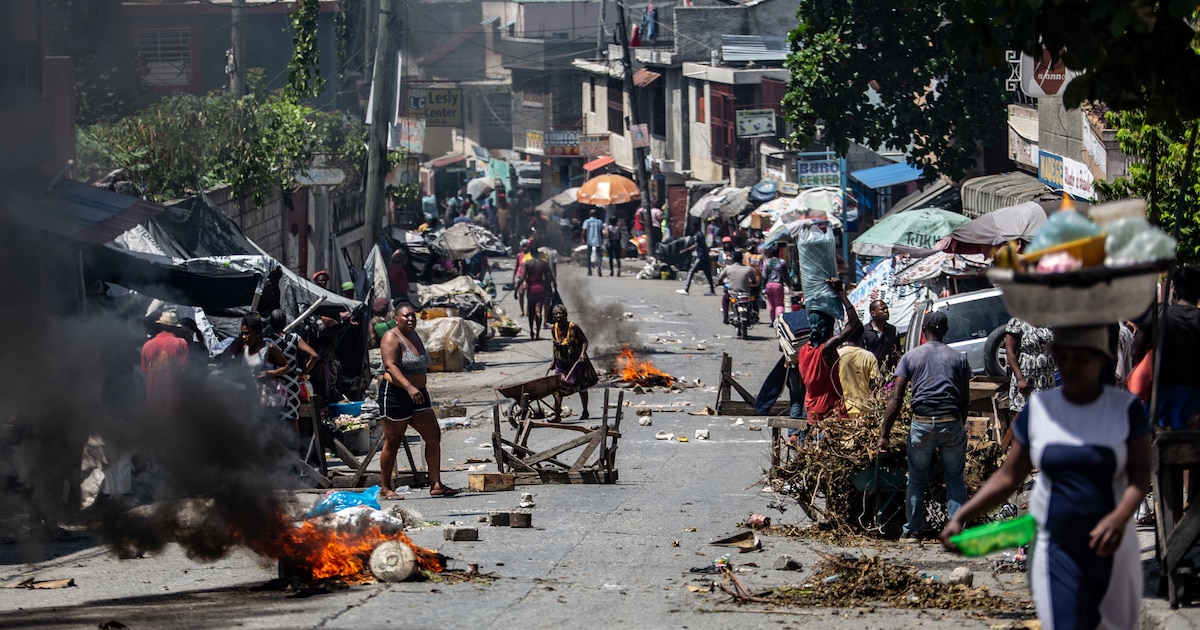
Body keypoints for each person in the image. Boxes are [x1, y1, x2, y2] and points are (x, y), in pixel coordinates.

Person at [941, 325, 1150, 630]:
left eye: (1081, 358)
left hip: (1111, 546)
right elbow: (1008, 477)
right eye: (1064, 358)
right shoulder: (1039, 411)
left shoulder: (1125, 410)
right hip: (1057, 547)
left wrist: (1119, 518)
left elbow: (1141, 474)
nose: (1071, 367)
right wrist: (963, 515)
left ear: (1100, 358)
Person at [877, 310, 971, 542]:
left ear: (922, 331)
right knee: (955, 478)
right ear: (946, 331)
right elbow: (965, 401)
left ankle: (912, 532)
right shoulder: (959, 358)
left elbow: (896, 399)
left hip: (921, 425)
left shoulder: (910, 357)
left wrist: (884, 435)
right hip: (951, 422)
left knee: (917, 478)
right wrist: (958, 425)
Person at [378, 303, 459, 499]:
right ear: (396, 319)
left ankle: (436, 484)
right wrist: (409, 387)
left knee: (433, 436)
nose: (410, 319)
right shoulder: (391, 337)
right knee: (393, 441)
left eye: (412, 316)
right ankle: (386, 487)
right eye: (405, 316)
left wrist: (417, 388)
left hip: (419, 395)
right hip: (397, 394)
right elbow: (390, 366)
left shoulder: (415, 337)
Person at [794, 279, 861, 429]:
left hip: (811, 409)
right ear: (828, 327)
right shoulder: (826, 349)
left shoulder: (803, 350)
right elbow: (854, 324)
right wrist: (841, 294)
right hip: (830, 410)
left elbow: (801, 384)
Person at [222, 313, 292, 421]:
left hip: (265, 401)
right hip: (248, 398)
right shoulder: (244, 348)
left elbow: (286, 367)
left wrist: (270, 373)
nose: (244, 337)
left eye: (247, 333)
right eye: (242, 334)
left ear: (257, 333)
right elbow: (225, 356)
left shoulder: (269, 348)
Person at [267, 309, 320, 438]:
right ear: (285, 322)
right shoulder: (294, 338)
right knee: (293, 420)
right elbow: (314, 356)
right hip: (292, 382)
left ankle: (281, 454)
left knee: (276, 421)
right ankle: (296, 453)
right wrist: (302, 373)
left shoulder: (268, 340)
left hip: (276, 384)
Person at [549, 304, 599, 421]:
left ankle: (585, 411)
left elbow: (584, 341)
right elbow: (555, 345)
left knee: (581, 386)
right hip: (561, 363)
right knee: (557, 388)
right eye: (556, 314)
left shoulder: (573, 327)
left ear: (566, 315)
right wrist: (553, 360)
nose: (559, 315)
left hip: (575, 361)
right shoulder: (554, 329)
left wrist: (582, 354)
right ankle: (557, 415)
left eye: (561, 313)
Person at [141, 309, 189, 414]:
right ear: (175, 328)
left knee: (156, 422)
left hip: (152, 392)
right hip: (173, 392)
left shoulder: (148, 345)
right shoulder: (181, 343)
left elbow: (145, 370)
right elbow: (184, 369)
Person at [1005, 317, 1056, 414]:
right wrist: (1020, 379)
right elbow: (1010, 352)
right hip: (1027, 378)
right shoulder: (1017, 322)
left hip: (1046, 379)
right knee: (1024, 413)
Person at [837, 321, 881, 419]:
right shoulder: (869, 356)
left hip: (843, 409)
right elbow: (875, 384)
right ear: (862, 336)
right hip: (864, 408)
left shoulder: (838, 355)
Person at [519, 249, 555, 339]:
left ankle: (531, 331)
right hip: (540, 288)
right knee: (538, 310)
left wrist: (516, 290)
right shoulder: (543, 263)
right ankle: (538, 333)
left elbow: (522, 277)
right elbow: (549, 278)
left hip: (531, 289)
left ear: (530, 253)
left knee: (531, 312)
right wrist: (551, 290)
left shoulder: (527, 263)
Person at [716, 254, 759, 324]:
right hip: (746, 293)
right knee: (752, 300)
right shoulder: (748, 269)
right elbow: (754, 280)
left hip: (733, 293)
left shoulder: (728, 268)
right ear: (742, 259)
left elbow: (720, 278)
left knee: (725, 298)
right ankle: (754, 315)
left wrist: (719, 283)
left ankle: (725, 316)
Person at [862, 300, 901, 373]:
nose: (886, 311)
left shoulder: (893, 330)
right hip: (870, 373)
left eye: (886, 308)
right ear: (873, 313)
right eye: (882, 309)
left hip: (889, 374)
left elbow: (897, 353)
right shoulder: (864, 332)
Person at [676, 222, 715, 295]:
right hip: (705, 257)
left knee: (691, 271)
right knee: (708, 274)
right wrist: (686, 250)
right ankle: (712, 290)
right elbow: (697, 245)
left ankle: (686, 289)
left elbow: (703, 245)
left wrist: (705, 252)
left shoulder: (698, 235)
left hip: (701, 256)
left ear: (694, 226)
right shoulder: (699, 234)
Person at [760, 245, 787, 324]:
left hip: (769, 284)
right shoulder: (782, 262)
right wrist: (789, 284)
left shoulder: (767, 262)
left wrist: (762, 287)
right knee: (779, 304)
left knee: (771, 304)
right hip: (778, 285)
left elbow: (764, 275)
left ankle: (772, 321)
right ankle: (780, 320)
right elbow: (785, 275)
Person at [582, 208, 605, 276]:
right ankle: (599, 270)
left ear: (590, 214)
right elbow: (601, 232)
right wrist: (602, 240)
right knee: (599, 255)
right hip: (598, 240)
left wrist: (583, 239)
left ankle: (589, 271)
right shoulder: (599, 222)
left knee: (588, 255)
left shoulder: (587, 221)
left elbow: (584, 232)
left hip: (589, 240)